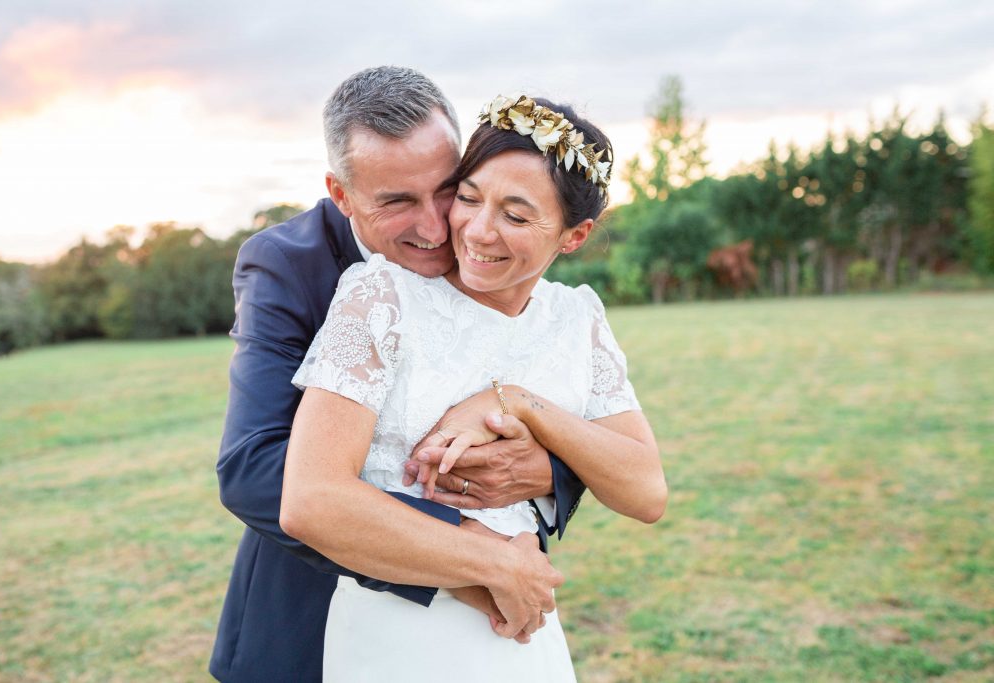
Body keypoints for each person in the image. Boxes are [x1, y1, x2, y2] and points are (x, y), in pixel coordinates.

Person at [210, 68, 588, 683]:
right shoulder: (285, 265)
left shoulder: (487, 247)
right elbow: (253, 467)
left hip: (491, 625)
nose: (438, 228)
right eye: (396, 202)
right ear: (341, 194)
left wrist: (552, 468)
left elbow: (549, 377)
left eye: (447, 189)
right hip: (318, 615)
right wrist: (471, 557)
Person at [281, 94, 668, 681]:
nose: (477, 230)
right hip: (400, 635)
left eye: (515, 216)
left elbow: (646, 492)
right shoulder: (382, 298)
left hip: (524, 635)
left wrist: (520, 402)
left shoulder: (575, 319)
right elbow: (311, 500)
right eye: (468, 197)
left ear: (574, 235)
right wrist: (497, 565)